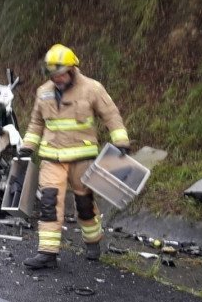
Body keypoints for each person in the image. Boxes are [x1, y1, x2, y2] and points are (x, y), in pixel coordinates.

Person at [19, 44, 130, 269]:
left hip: (83, 159)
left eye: (60, 75)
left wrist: (121, 142)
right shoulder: (44, 92)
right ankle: (47, 253)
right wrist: (28, 145)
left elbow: (111, 115)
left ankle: (93, 243)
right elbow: (36, 122)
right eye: (53, 75)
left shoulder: (92, 89)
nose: (57, 79)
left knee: (85, 204)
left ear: (72, 69)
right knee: (49, 203)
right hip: (52, 158)